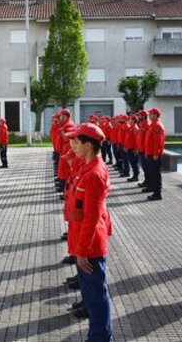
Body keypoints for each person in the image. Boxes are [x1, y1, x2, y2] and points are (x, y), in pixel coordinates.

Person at [66, 122, 113, 341]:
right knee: (91, 294)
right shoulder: (87, 167)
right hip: (83, 241)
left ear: (88, 145)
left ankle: (101, 337)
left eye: (76, 142)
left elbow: (91, 217)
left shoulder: (94, 173)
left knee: (96, 296)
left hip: (90, 246)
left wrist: (82, 251)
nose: (73, 146)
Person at [144, 108, 165, 201]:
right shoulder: (153, 125)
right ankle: (153, 189)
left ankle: (157, 193)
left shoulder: (157, 126)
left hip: (154, 154)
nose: (149, 115)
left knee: (156, 174)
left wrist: (156, 153)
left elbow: (158, 142)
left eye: (151, 114)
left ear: (156, 115)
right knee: (152, 173)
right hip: (150, 153)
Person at [136, 110, 150, 188]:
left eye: (139, 115)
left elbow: (147, 140)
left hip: (145, 150)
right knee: (144, 167)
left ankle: (148, 182)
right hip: (141, 150)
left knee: (146, 167)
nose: (138, 117)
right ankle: (146, 181)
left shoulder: (147, 125)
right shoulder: (142, 125)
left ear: (143, 116)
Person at [125, 114, 140, 182]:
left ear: (133, 120)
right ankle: (134, 175)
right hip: (130, 148)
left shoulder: (135, 128)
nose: (129, 121)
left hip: (133, 149)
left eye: (130, 119)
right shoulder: (131, 128)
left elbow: (137, 140)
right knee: (132, 163)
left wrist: (136, 149)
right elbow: (128, 139)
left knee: (134, 163)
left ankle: (136, 176)